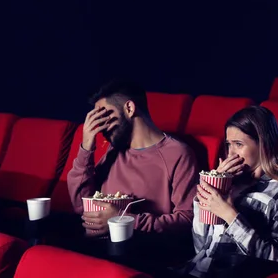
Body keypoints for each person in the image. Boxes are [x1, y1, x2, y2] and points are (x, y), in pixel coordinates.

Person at [180, 106, 278, 278]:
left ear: (263, 144)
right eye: (228, 144)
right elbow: (201, 247)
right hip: (197, 274)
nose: (231, 154)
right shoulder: (230, 182)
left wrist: (230, 216)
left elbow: (277, 260)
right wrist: (207, 194)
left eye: (239, 144)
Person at [67, 80, 197, 237]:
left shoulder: (178, 153)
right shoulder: (114, 151)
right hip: (99, 246)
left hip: (144, 249)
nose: (100, 127)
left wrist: (123, 220)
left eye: (104, 116)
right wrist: (86, 148)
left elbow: (187, 220)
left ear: (129, 108)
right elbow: (82, 207)